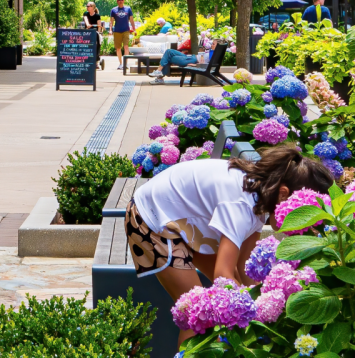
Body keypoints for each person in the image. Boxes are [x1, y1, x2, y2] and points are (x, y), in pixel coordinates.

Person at [125, 146, 333, 345]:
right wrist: (250, 311)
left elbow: (245, 267)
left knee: (230, 299)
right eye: (303, 214)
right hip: (150, 218)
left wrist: (267, 304)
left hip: (181, 220)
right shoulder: (242, 205)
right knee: (198, 315)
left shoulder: (260, 195)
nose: (305, 226)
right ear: (284, 194)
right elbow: (223, 275)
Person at [107, 0, 136, 72]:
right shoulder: (113, 10)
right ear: (117, 1)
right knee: (118, 47)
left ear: (124, 1)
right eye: (119, 0)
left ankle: (125, 64)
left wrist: (134, 29)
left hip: (126, 30)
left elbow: (131, 20)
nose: (120, 1)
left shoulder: (128, 9)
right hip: (117, 31)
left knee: (126, 46)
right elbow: (111, 21)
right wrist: (110, 29)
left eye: (121, 0)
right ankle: (120, 63)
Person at [83, 2, 104, 69]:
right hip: (87, 32)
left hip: (95, 32)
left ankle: (96, 61)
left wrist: (99, 32)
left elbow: (99, 26)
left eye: (89, 6)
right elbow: (86, 20)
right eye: (87, 6)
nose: (87, 7)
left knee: (97, 44)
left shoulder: (97, 16)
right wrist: (88, 25)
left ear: (93, 7)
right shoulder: (86, 14)